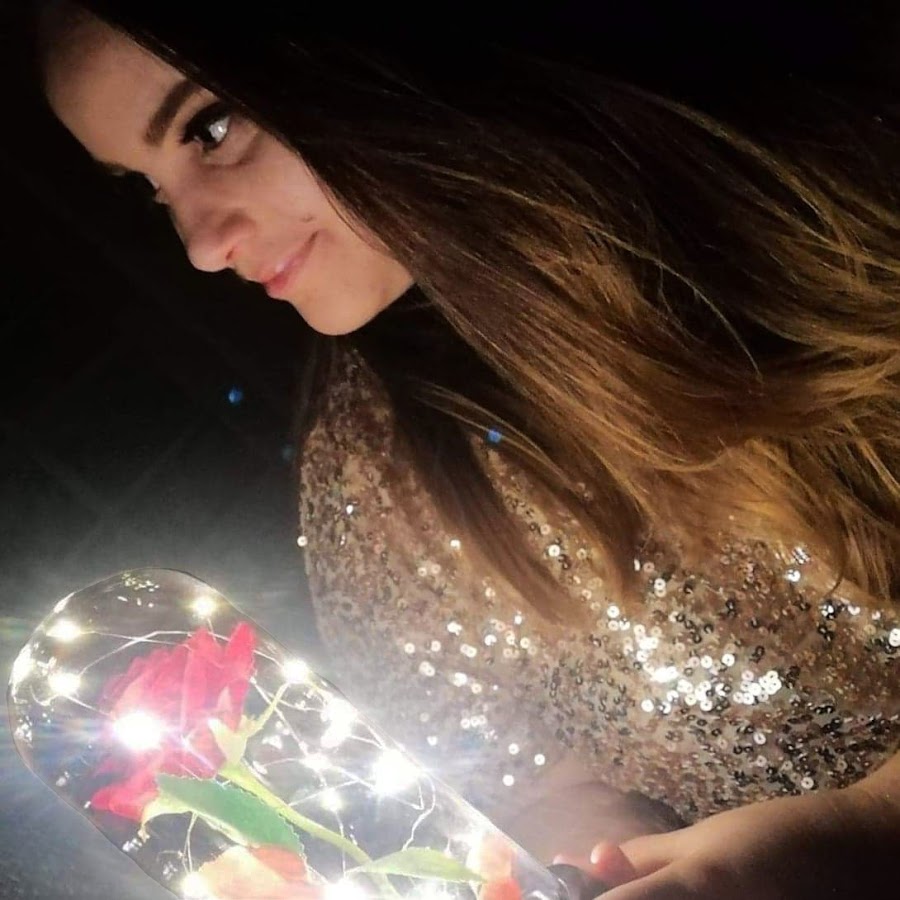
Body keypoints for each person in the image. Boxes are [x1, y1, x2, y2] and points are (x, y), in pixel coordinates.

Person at [34, 2, 899, 897]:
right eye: (150, 188)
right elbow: (541, 784)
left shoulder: (828, 204)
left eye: (210, 128)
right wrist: (585, 870)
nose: (202, 247)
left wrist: (867, 829)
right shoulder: (375, 464)